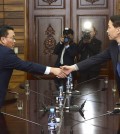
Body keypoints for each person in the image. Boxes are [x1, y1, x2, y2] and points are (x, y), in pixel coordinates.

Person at [0, 25, 66, 108]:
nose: (15, 41)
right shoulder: (5, 53)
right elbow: (27, 66)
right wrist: (52, 70)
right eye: (12, 38)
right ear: (3, 39)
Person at [61, 15, 120, 96]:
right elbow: (96, 58)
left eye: (109, 27)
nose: (107, 31)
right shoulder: (113, 45)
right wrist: (73, 67)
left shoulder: (101, 42)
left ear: (118, 30)